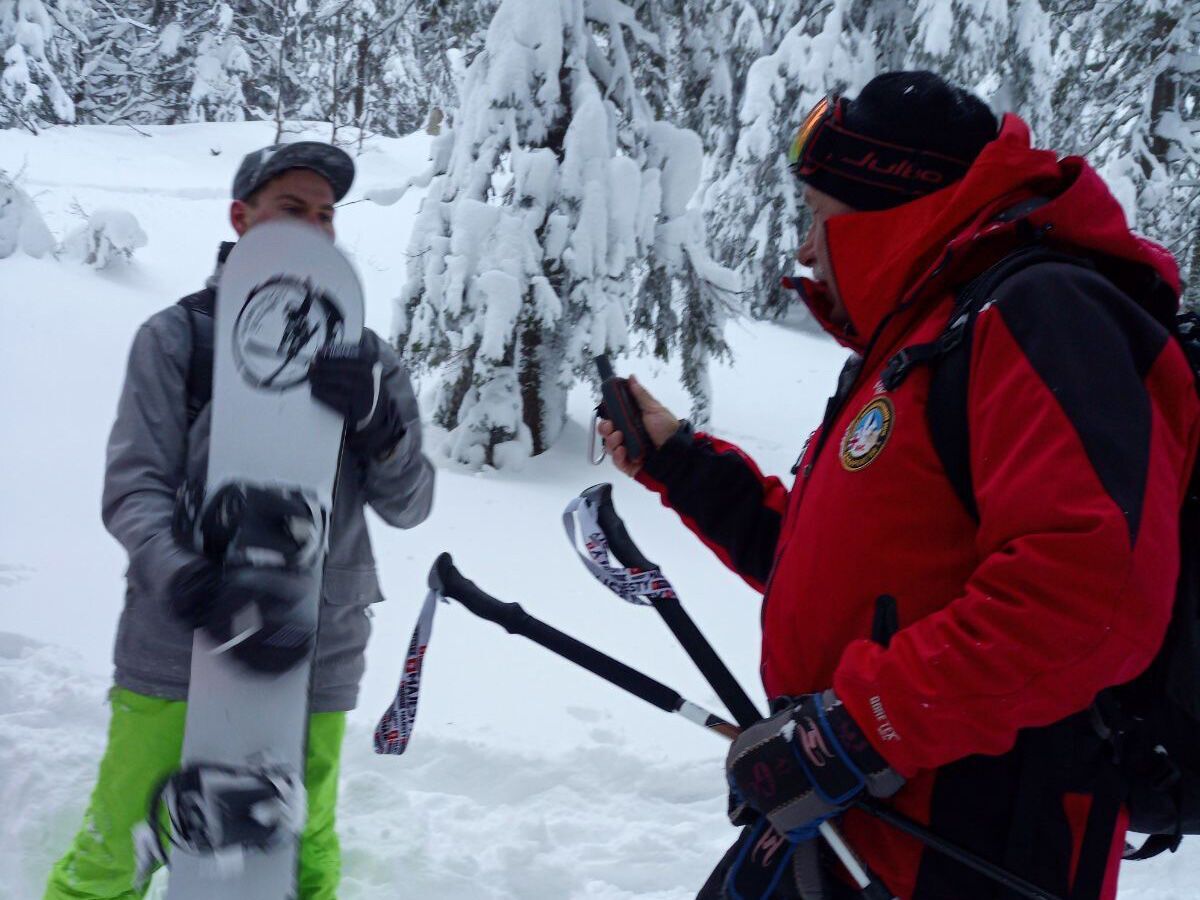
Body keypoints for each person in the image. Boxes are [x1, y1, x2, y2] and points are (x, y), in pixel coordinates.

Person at [599, 72, 1200, 899]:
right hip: (852, 818)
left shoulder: (1043, 313)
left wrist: (851, 731)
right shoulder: (925, 341)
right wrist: (679, 463)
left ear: (893, 206)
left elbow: (1086, 598)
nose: (806, 249)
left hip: (970, 841)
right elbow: (858, 575)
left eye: (818, 217)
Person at [45, 142, 436, 900]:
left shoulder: (370, 360)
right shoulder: (179, 338)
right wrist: (185, 578)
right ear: (241, 216)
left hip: (315, 647)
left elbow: (410, 503)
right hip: (176, 641)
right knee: (119, 843)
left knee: (297, 853)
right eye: (292, 209)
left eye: (325, 215)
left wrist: (377, 422)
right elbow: (134, 487)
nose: (313, 229)